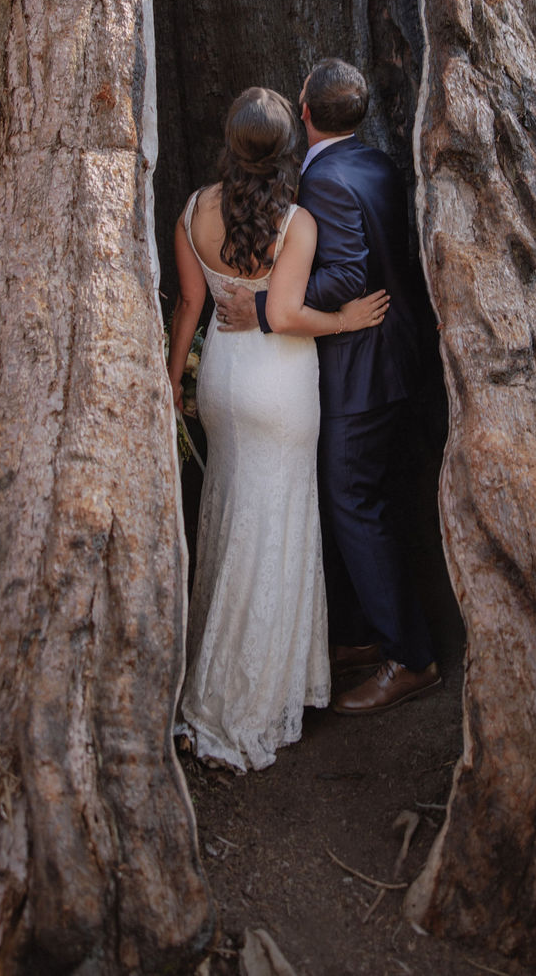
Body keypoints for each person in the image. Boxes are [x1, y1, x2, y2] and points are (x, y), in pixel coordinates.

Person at [166, 86, 389, 771]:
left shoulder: (192, 209)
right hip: (281, 383)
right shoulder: (297, 222)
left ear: (229, 141)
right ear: (289, 145)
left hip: (224, 383)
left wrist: (173, 381)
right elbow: (287, 313)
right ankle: (249, 701)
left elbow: (190, 304)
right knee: (275, 526)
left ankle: (208, 684)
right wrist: (347, 320)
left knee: (232, 514)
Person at [217, 59, 439, 715]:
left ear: (305, 108)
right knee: (360, 501)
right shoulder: (377, 164)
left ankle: (412, 656)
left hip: (362, 368)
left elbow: (346, 272)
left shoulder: (330, 182)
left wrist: (264, 306)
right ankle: (361, 634)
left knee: (354, 504)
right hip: (391, 358)